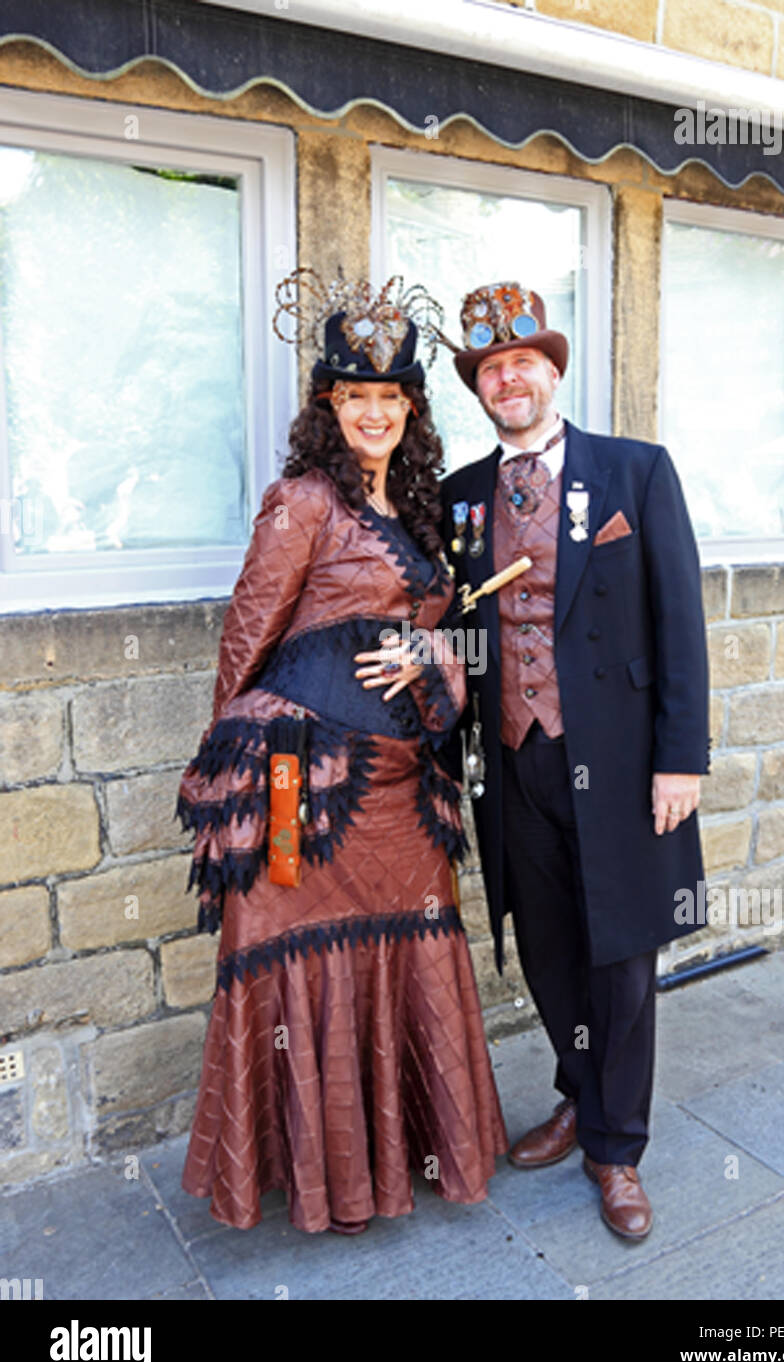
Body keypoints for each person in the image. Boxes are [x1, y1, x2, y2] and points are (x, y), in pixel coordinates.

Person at [175, 271, 507, 1234]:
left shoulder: (417, 506)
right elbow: (247, 636)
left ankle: (391, 1165)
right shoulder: (301, 502)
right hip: (299, 785)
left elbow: (443, 632)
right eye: (354, 396)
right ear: (329, 404)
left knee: (407, 951)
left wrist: (436, 652)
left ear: (411, 407)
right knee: (290, 962)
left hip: (402, 794)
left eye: (390, 396)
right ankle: (326, 1184)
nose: (373, 411)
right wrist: (227, 777)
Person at [439, 281, 710, 1241]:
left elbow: (680, 620)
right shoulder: (459, 497)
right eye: (488, 369)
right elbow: (456, 630)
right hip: (512, 760)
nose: (507, 379)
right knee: (548, 945)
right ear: (477, 388)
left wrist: (681, 760)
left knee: (623, 956)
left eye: (523, 362)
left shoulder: (633, 472)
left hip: (624, 760)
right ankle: (576, 1092)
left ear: (552, 372)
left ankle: (617, 1147)